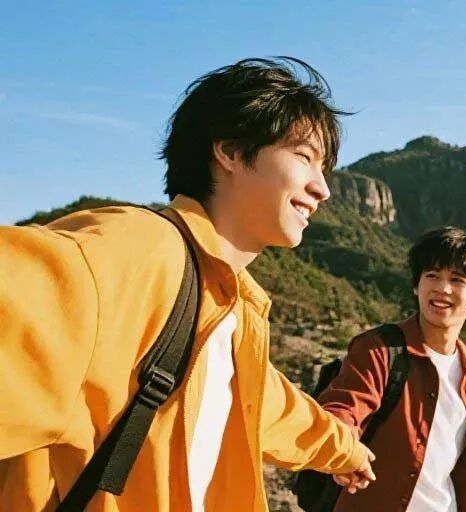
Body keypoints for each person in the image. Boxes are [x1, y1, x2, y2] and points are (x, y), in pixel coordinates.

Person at [0, 57, 375, 512]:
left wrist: (348, 452)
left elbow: (270, 406)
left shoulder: (234, 307)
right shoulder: (136, 252)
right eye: (304, 157)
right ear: (231, 151)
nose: (323, 188)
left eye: (324, 168)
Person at [316, 226, 466, 511]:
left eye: (457, 279)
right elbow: (344, 406)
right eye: (432, 276)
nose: (442, 288)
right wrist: (341, 450)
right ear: (417, 286)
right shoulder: (380, 349)